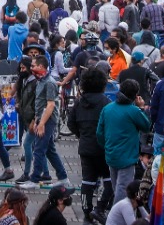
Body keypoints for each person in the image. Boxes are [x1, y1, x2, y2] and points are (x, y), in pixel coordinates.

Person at [70, 66, 113, 223]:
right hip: (103, 148)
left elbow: (70, 123)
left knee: (87, 180)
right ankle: (100, 208)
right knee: (109, 179)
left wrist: (81, 135)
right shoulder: (106, 103)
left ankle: (86, 212)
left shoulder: (79, 103)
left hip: (85, 147)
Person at [98, 78, 152, 203]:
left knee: (115, 186)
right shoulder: (134, 111)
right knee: (123, 190)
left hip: (111, 154)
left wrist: (106, 146)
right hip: (128, 156)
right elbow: (146, 126)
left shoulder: (107, 109)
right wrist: (142, 108)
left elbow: (99, 133)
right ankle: (117, 217)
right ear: (135, 95)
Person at [21, 53, 68, 189]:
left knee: (39, 149)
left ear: (41, 66)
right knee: (49, 150)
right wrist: (37, 120)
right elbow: (40, 104)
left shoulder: (49, 82)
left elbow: (50, 105)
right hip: (41, 119)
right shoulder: (41, 81)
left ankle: (35, 179)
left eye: (34, 66)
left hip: (48, 120)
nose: (32, 68)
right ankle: (63, 177)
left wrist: (41, 123)